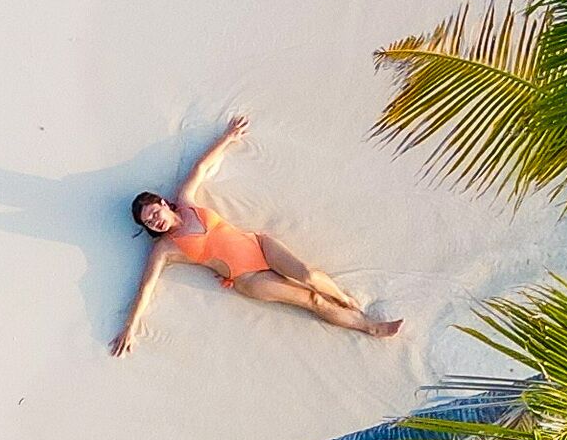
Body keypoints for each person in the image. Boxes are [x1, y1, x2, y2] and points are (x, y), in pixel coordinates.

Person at [111, 117, 400, 355]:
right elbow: (146, 286)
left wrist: (227, 137)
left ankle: (344, 298)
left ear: (162, 203)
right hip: (248, 278)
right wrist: (130, 327)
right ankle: (370, 327)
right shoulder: (165, 248)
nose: (155, 221)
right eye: (149, 221)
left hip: (259, 245)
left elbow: (200, 168)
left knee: (309, 274)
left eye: (153, 212)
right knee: (313, 300)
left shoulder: (186, 201)